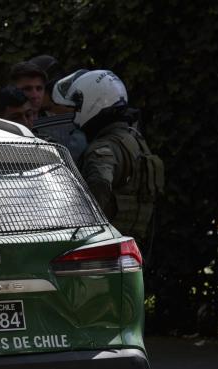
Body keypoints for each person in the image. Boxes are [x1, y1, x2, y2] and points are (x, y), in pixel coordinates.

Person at [52, 69, 164, 252]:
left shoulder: (103, 148)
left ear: (93, 102)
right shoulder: (134, 139)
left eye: (78, 106)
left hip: (106, 252)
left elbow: (99, 184)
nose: (75, 114)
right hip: (132, 250)